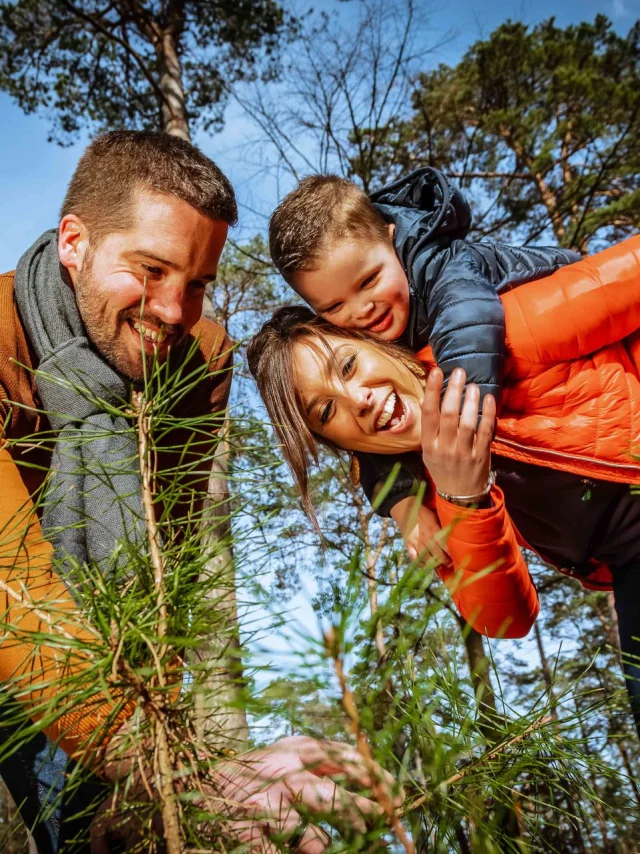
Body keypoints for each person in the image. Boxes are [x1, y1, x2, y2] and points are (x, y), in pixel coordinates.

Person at [0, 130, 394, 853]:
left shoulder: (198, 357)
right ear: (74, 242)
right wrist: (179, 770)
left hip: (104, 672)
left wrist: (173, 774)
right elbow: (13, 594)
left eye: (198, 282)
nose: (174, 311)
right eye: (149, 270)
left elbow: (163, 566)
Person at [246, 235, 640, 732]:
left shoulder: (500, 331)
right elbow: (506, 619)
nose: (358, 401)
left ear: (375, 344)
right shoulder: (428, 501)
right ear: (337, 441)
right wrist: (465, 498)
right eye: (326, 411)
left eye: (347, 366)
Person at [267, 168, 580, 563]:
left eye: (368, 281)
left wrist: (457, 419)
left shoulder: (438, 262)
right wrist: (404, 507)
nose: (362, 309)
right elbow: (370, 446)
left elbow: (467, 323)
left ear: (391, 238)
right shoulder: (367, 336)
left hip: (577, 300)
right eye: (334, 306)